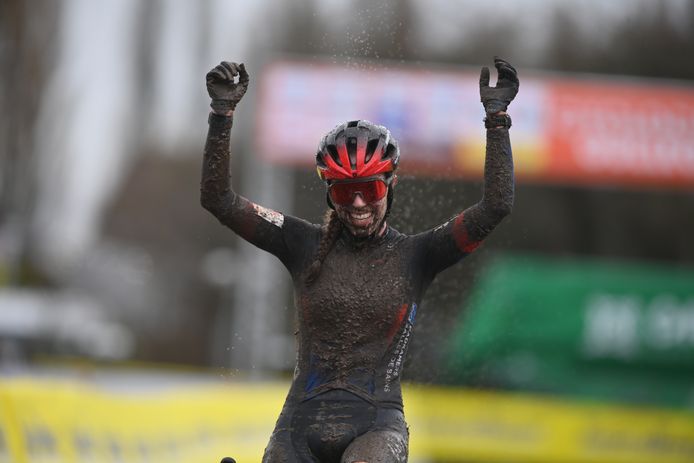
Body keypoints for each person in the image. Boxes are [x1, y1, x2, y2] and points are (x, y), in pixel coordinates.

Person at [202, 57, 518, 463]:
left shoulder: (419, 255)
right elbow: (218, 200)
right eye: (343, 191)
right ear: (328, 191)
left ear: (390, 184)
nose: (356, 203)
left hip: (375, 428)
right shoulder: (300, 243)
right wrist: (221, 114)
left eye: (368, 189)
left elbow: (495, 207)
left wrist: (497, 120)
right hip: (298, 425)